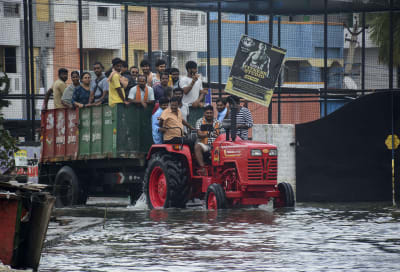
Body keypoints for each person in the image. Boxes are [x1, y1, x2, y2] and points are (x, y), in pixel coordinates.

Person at [194, 105, 220, 175]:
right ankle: (203, 169)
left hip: (215, 145)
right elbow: (199, 134)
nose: (209, 114)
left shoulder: (218, 123)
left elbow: (222, 135)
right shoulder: (199, 121)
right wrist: (208, 134)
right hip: (204, 145)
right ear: (204, 113)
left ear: (213, 113)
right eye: (207, 113)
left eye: (210, 113)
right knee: (197, 146)